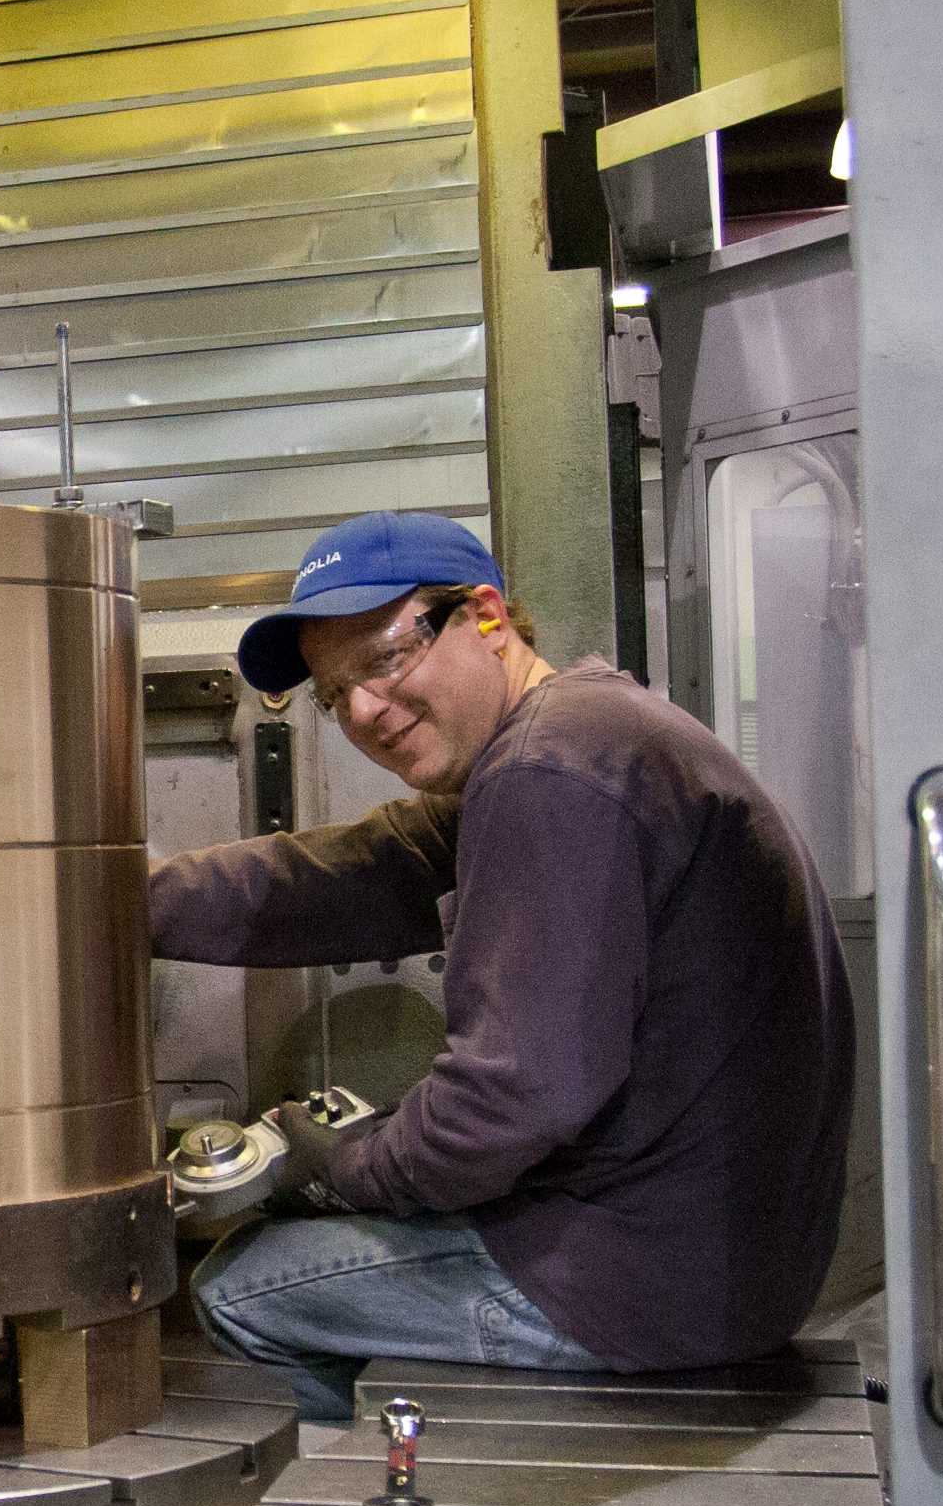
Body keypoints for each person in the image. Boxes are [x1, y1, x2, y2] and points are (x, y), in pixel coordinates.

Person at [151, 509, 855, 1418]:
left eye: (385, 658)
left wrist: (336, 1167)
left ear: (485, 616)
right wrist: (136, 900)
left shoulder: (549, 769)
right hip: (718, 1259)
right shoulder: (579, 732)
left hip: (633, 1279)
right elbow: (356, 876)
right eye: (335, 694)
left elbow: (506, 1103)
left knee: (238, 1288)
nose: (364, 709)